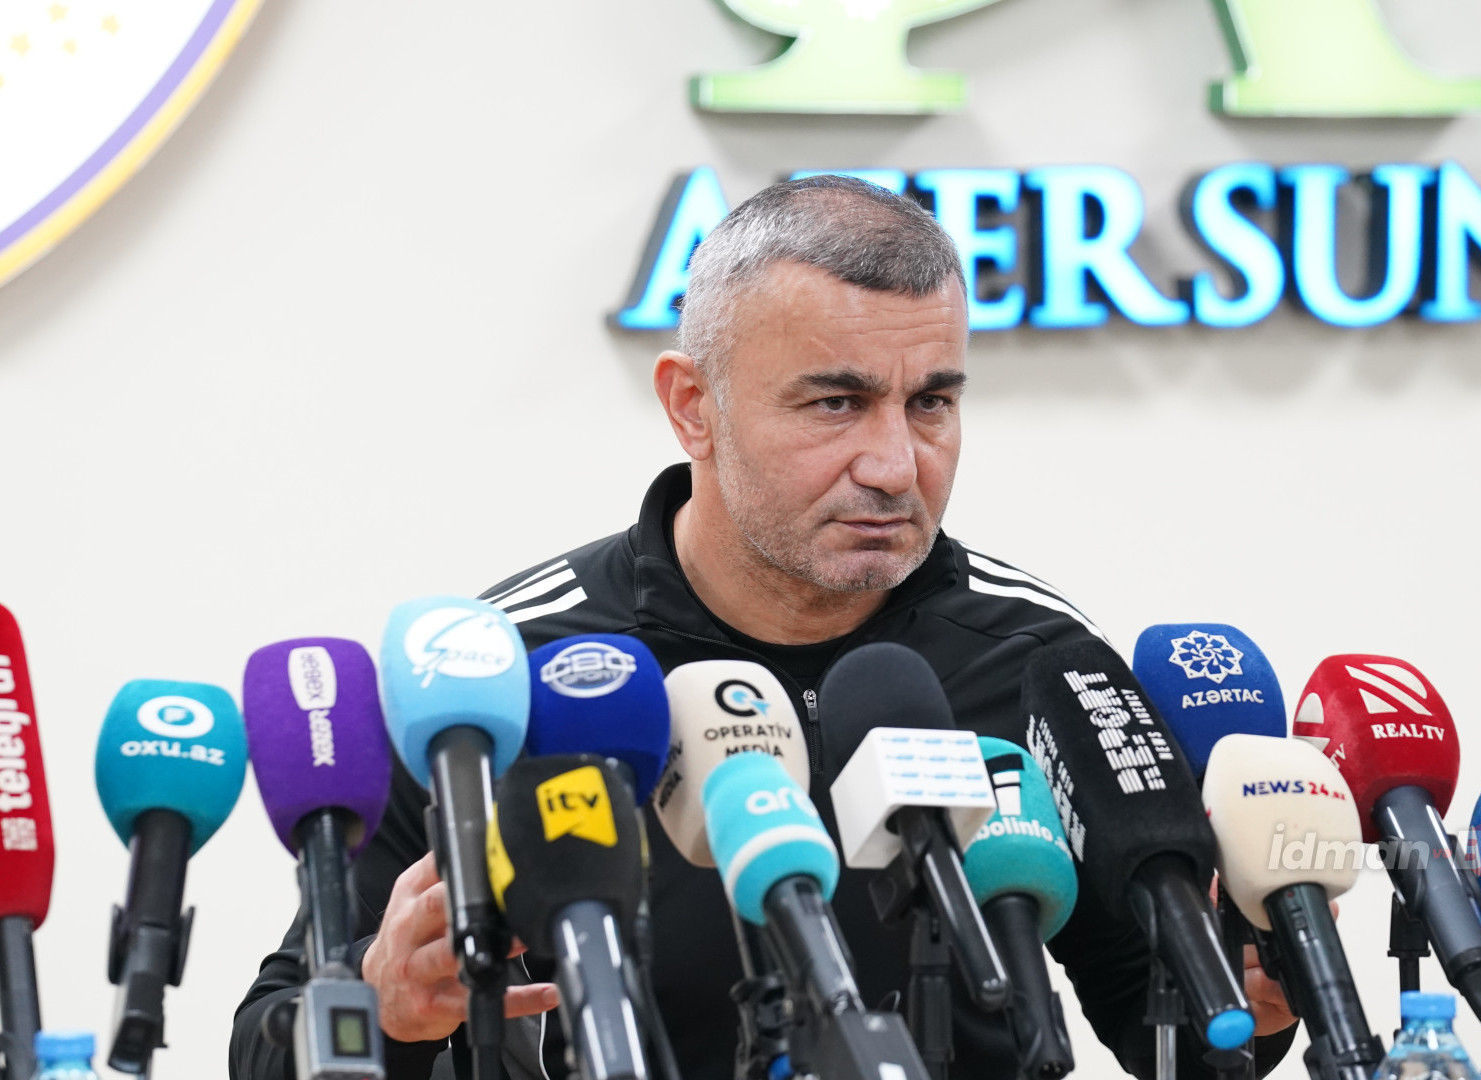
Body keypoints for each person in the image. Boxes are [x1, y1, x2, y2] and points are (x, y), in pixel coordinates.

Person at [231, 175, 1300, 1080]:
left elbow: (1168, 1021)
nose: (895, 464)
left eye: (931, 402)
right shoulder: (504, 675)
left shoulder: (1040, 659)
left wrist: (1257, 994)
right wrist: (387, 1003)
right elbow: (268, 1039)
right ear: (692, 406)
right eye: (836, 404)